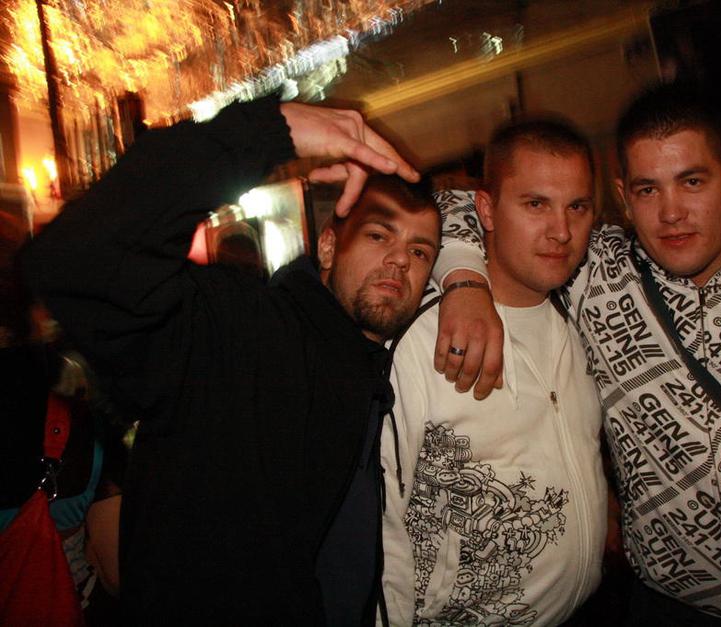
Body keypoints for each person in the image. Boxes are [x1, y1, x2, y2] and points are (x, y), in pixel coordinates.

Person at [430, 83, 721, 623]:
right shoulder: (594, 271)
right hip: (663, 607)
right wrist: (464, 281)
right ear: (623, 197)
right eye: (648, 190)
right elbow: (455, 205)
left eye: (692, 181)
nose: (672, 212)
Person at [20, 94, 440, 625]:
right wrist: (267, 130)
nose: (400, 259)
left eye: (421, 251)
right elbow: (80, 262)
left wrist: (464, 275)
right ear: (328, 248)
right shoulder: (238, 328)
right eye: (379, 234)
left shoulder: (375, 368)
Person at [380, 120, 608, 626]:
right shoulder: (423, 336)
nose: (561, 231)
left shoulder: (586, 314)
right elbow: (380, 519)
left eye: (577, 207)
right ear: (485, 209)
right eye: (535, 204)